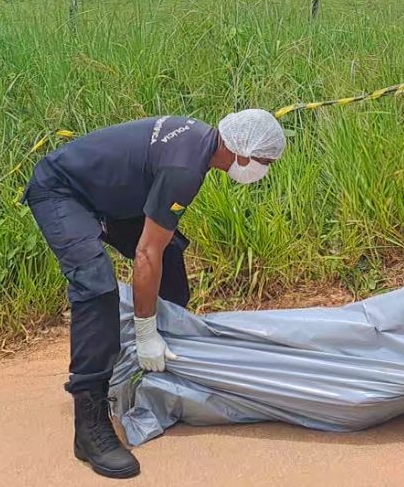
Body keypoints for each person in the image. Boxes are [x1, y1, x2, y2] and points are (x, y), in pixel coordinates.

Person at [24, 110, 286, 479]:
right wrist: (146, 330)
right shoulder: (186, 170)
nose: (263, 171)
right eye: (264, 163)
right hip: (61, 191)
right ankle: (90, 425)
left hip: (108, 194)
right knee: (96, 286)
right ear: (243, 153)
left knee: (171, 263)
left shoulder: (201, 141)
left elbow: (157, 245)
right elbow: (146, 253)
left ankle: (155, 374)